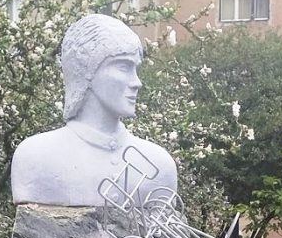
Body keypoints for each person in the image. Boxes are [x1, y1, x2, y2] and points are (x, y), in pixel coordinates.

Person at [11, 14, 177, 208]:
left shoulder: (158, 164)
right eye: (123, 67)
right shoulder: (35, 157)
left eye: (135, 69)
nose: (136, 82)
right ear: (87, 71)